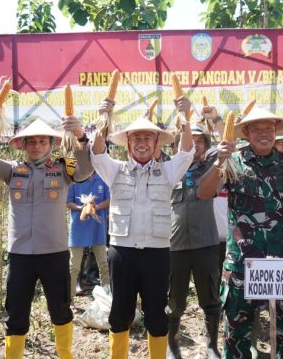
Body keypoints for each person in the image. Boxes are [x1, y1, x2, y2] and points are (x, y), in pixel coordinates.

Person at [197, 106, 283, 358]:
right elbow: (204, 193)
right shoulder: (232, 162)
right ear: (245, 132)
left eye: (268, 128)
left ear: (276, 131)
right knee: (237, 334)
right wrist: (218, 163)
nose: (263, 133)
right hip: (243, 265)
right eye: (256, 128)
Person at [0, 102, 93, 359]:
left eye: (42, 141)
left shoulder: (64, 167)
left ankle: (65, 354)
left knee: (61, 309)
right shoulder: (13, 170)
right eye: (31, 141)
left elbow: (86, 170)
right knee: (16, 314)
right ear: (23, 145)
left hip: (55, 254)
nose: (37, 145)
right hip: (20, 256)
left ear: (51, 144)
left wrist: (82, 137)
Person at [91, 96, 194, 358]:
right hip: (122, 252)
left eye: (148, 138)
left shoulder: (168, 171)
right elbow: (97, 153)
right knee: (120, 313)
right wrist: (104, 119)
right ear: (127, 144)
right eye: (136, 138)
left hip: (156, 254)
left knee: (157, 314)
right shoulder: (115, 170)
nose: (142, 143)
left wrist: (186, 118)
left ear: (157, 144)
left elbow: (186, 154)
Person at [167, 123, 222, 359]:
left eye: (200, 141)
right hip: (174, 245)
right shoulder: (170, 169)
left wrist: (218, 122)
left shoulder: (212, 167)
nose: (195, 144)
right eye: (190, 139)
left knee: (210, 297)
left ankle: (212, 345)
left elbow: (227, 150)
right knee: (173, 301)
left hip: (205, 243)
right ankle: (173, 344)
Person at [66, 172, 110, 298]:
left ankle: (107, 298)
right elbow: (68, 202)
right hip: (78, 228)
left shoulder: (102, 178)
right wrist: (82, 208)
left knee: (103, 265)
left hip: (98, 227)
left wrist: (97, 206)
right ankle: (69, 299)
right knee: (73, 266)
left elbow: (109, 199)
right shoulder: (74, 179)